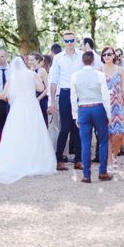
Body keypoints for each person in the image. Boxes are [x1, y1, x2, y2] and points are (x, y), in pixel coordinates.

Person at [0, 56, 56, 183]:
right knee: (34, 132)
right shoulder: (31, 74)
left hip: (18, 107)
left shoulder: (12, 77)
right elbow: (40, 88)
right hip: (32, 106)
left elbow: (3, 95)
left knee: (17, 133)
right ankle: (36, 162)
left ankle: (18, 162)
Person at [70, 51, 114, 183]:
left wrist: (75, 115)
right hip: (98, 107)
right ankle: (102, 172)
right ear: (93, 61)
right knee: (103, 140)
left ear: (82, 61)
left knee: (85, 143)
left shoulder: (75, 76)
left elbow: (73, 98)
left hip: (83, 109)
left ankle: (86, 175)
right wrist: (109, 114)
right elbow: (106, 96)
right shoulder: (100, 75)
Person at [50, 31, 84, 171]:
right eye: (67, 41)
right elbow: (53, 80)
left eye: (72, 40)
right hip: (64, 93)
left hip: (79, 94)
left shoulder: (82, 56)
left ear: (75, 40)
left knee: (78, 127)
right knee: (64, 128)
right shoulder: (58, 58)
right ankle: (58, 160)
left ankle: (78, 159)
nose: (69, 43)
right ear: (63, 42)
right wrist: (52, 100)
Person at [100, 46, 124, 169]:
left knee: (118, 134)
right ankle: (109, 161)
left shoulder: (120, 70)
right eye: (104, 55)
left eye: (109, 54)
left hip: (118, 105)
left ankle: (115, 155)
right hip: (105, 105)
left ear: (114, 55)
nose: (106, 57)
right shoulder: (99, 70)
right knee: (107, 134)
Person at [28, 52, 50, 125]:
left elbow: (47, 88)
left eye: (32, 60)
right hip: (31, 99)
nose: (30, 62)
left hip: (42, 99)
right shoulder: (29, 71)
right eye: (29, 60)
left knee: (43, 121)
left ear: (37, 60)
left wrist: (38, 99)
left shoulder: (42, 71)